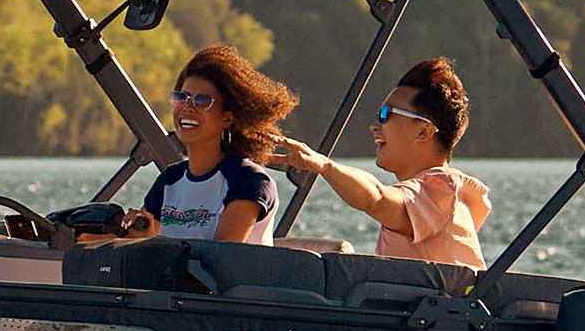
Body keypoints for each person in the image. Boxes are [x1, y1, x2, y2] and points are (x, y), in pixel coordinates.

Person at [275, 56, 490, 267]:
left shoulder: (438, 191)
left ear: (424, 132)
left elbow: (376, 199)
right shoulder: (440, 196)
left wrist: (324, 165)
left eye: (386, 114)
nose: (375, 125)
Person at [124, 44, 291, 244]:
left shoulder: (250, 182)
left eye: (202, 100)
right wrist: (134, 235)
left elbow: (217, 260)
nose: (188, 107)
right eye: (181, 97)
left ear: (228, 118)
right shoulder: (169, 180)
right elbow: (150, 249)